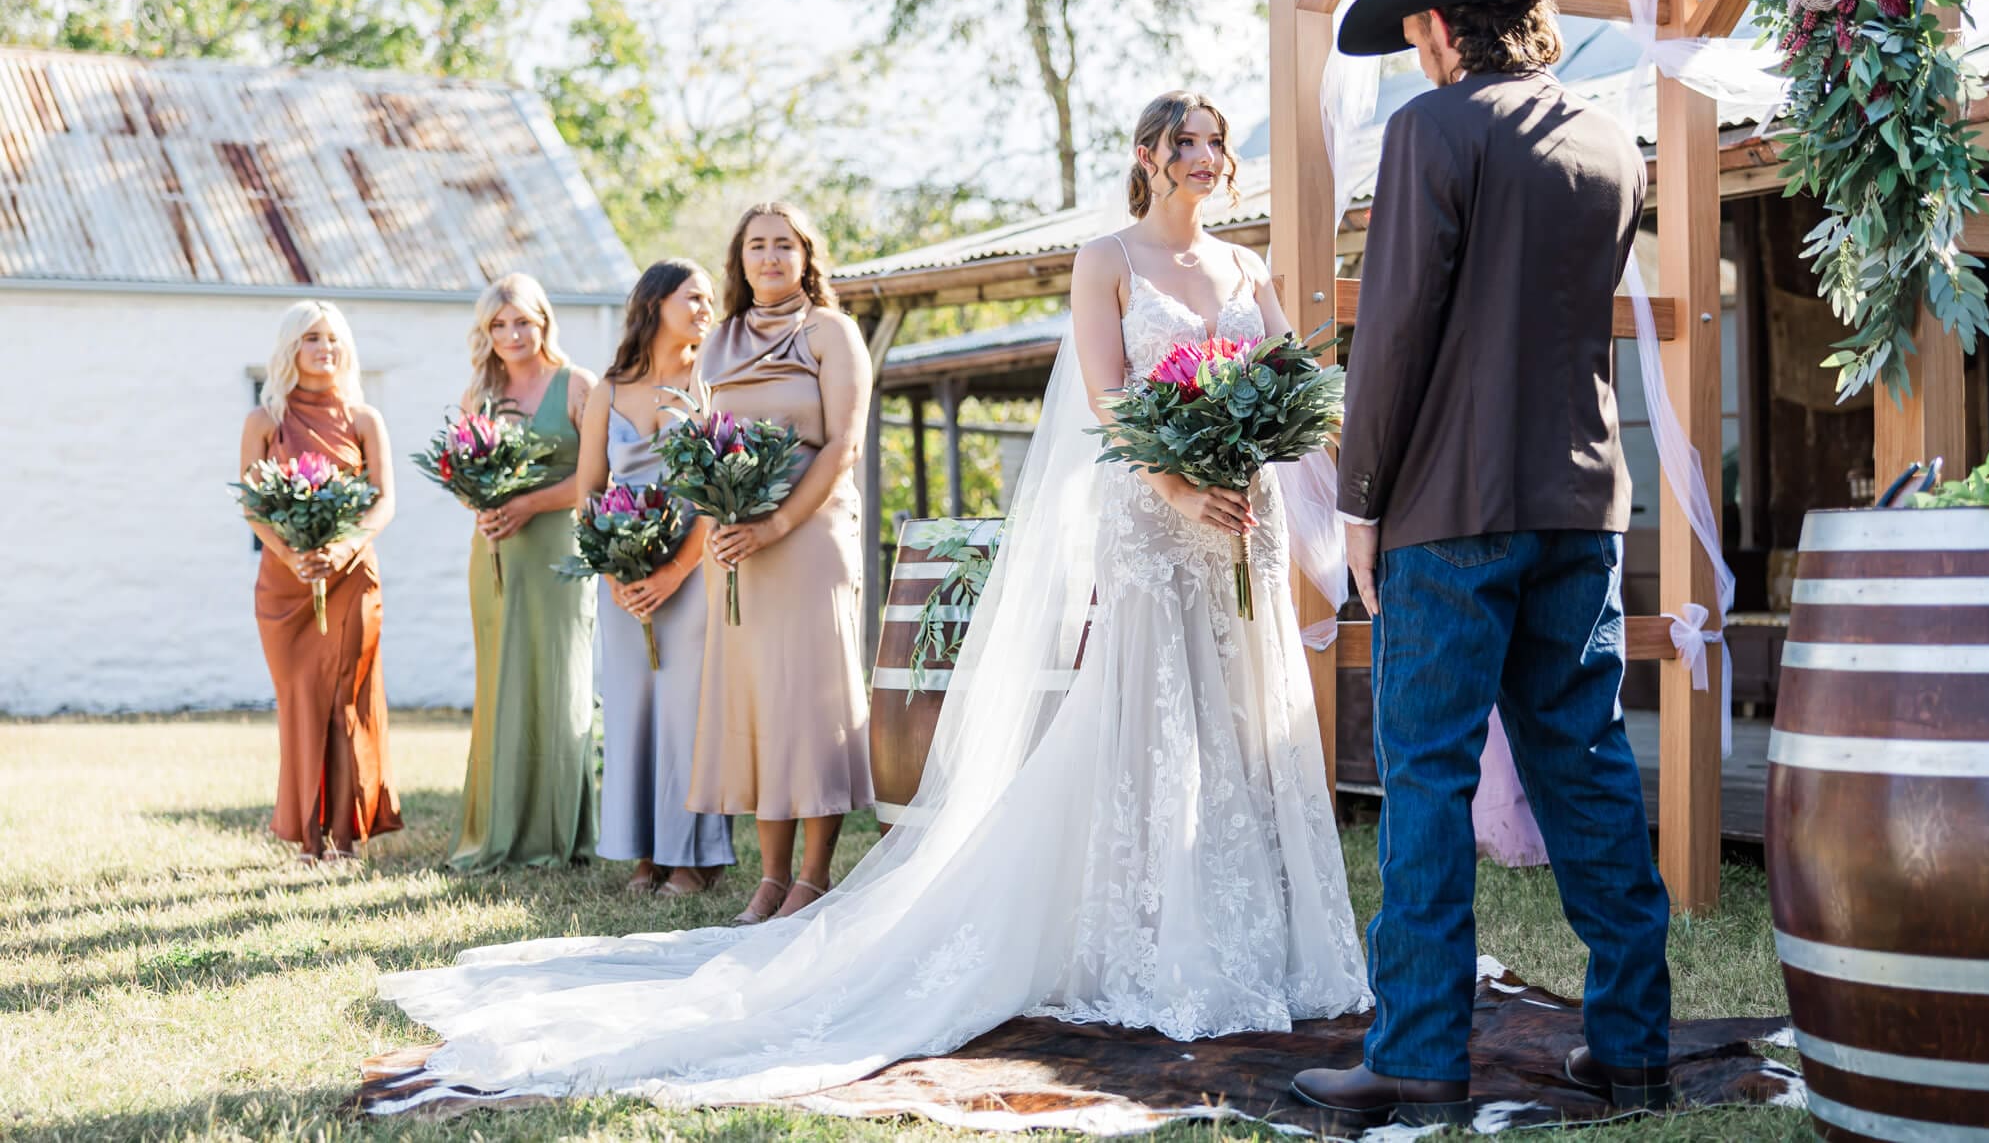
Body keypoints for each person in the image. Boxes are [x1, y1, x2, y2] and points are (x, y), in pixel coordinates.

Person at [371, 94, 1366, 1113]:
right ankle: (1145, 936)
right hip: (1154, 518)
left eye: (1213, 144)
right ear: (1146, 158)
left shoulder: (1247, 269)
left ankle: (1259, 936)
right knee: (1151, 716)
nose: (1204, 158)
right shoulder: (1105, 259)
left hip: (1240, 518)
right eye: (1184, 143)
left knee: (1241, 713)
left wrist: (1263, 456)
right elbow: (1111, 398)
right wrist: (1174, 483)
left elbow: (1290, 378)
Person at [1292, 0, 1673, 1127]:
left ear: (1435, 24)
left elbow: (1395, 330)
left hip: (1447, 510)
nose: (1409, 51)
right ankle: (1632, 1048)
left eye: (1410, 29)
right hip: (1580, 502)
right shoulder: (1612, 140)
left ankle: (1414, 1055)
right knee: (1589, 771)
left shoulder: (1431, 128)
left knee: (1425, 782)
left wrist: (1358, 501)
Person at [689, 202, 875, 924]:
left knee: (809, 697)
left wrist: (777, 525)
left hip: (809, 529)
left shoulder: (832, 332)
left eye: (783, 245)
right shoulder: (719, 340)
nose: (769, 257)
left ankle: (815, 874)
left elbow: (843, 444)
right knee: (759, 699)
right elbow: (698, 441)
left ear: (805, 256)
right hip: (735, 539)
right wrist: (720, 517)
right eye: (756, 246)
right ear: (739, 260)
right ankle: (768, 878)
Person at [574, 259, 735, 897]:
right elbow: (588, 491)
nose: (705, 308)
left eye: (709, 299)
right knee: (633, 708)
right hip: (620, 578)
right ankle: (644, 855)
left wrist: (673, 570)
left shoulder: (713, 380)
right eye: (692, 297)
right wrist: (613, 569)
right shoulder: (609, 389)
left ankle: (692, 857)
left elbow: (721, 491)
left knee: (685, 710)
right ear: (655, 302)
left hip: (693, 571)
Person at [446, 274, 601, 872]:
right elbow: (462, 478)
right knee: (501, 683)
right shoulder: (477, 396)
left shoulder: (577, 385)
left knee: (561, 682)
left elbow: (594, 478)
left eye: (523, 322)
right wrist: (481, 507)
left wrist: (527, 504)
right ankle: (500, 830)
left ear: (544, 322)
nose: (512, 334)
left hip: (558, 550)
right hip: (496, 556)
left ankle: (563, 836)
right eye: (499, 325)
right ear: (487, 333)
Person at [240, 300, 401, 863]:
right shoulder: (264, 422)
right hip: (285, 586)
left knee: (345, 701)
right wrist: (294, 557)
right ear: (291, 348)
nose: (325, 348)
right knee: (300, 701)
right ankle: (308, 837)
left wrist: (342, 549)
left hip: (353, 577)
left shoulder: (364, 419)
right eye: (312, 338)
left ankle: (345, 837)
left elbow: (384, 501)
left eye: (333, 338)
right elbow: (254, 508)